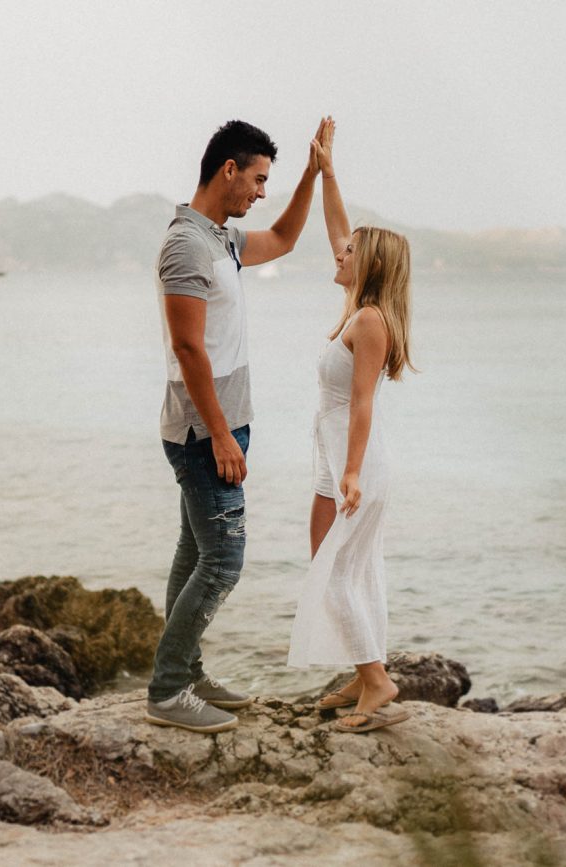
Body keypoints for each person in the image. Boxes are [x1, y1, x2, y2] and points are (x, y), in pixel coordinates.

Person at [147, 119, 324, 733]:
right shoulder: (186, 245)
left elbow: (283, 237)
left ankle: (187, 672)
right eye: (258, 179)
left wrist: (313, 175)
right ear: (228, 170)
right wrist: (220, 434)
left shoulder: (219, 239)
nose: (260, 192)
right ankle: (168, 690)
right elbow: (189, 349)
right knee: (224, 561)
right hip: (203, 431)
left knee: (195, 550)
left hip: (222, 424)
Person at [287, 118, 417, 733]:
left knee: (338, 569)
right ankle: (362, 668)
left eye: (349, 252)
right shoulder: (356, 306)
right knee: (343, 565)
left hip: (353, 458)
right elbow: (338, 228)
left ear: (366, 265)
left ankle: (376, 681)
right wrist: (328, 172)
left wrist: (353, 472)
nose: (338, 254)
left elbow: (362, 403)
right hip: (331, 452)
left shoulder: (369, 322)